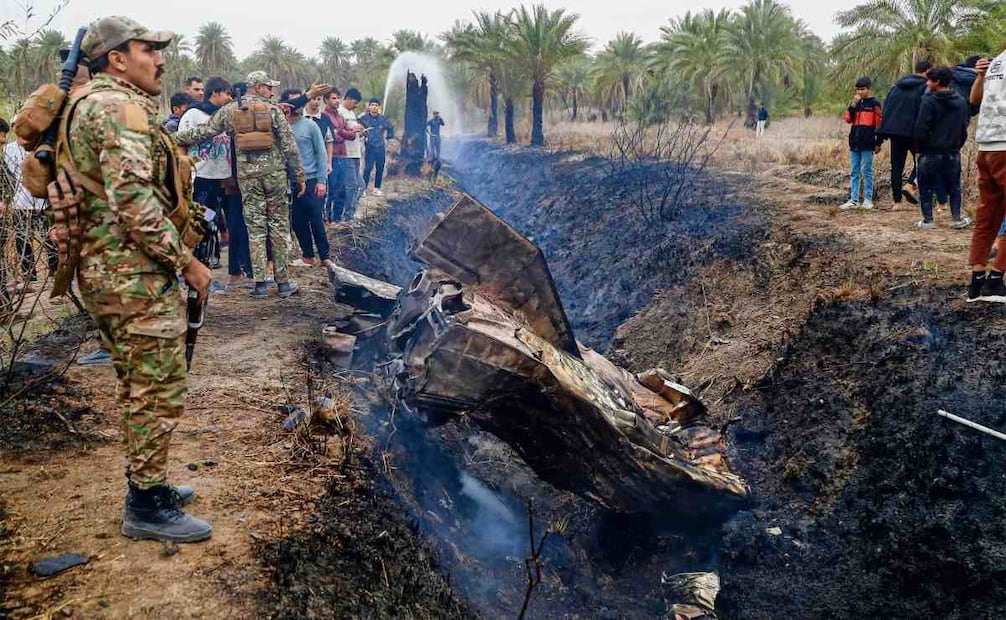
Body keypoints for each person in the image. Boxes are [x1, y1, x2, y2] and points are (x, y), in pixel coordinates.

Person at [58, 16, 212, 542]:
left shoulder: (94, 103)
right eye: (148, 49)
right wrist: (186, 262)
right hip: (132, 275)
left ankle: (147, 484)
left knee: (136, 384)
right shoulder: (116, 108)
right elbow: (134, 202)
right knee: (156, 386)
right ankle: (146, 504)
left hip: (113, 272)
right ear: (117, 58)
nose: (160, 59)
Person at [175, 70, 306, 300]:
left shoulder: (230, 110)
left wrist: (173, 138)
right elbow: (289, 146)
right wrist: (299, 175)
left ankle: (260, 284)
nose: (272, 91)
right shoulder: (274, 110)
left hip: (247, 178)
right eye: (268, 86)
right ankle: (283, 283)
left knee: (255, 228)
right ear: (256, 87)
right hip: (274, 176)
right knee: (278, 227)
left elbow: (205, 132)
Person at [178, 76, 234, 277]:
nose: (229, 98)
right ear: (216, 93)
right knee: (197, 222)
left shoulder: (225, 115)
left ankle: (208, 262)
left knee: (212, 220)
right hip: (200, 177)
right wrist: (184, 174)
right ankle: (189, 266)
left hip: (219, 178)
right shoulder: (193, 115)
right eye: (227, 94)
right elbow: (180, 143)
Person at [966, 52, 1006, 302]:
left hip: (987, 147)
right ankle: (995, 281)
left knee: (987, 215)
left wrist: (981, 75)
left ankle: (977, 283)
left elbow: (974, 99)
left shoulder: (997, 61)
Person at [913, 66, 972, 230]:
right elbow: (963, 127)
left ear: (937, 82)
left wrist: (919, 147)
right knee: (954, 186)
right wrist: (957, 145)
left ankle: (928, 220)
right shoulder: (960, 101)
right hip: (953, 152)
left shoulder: (929, 100)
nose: (927, 83)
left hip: (930, 152)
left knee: (926, 186)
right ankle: (957, 218)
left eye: (929, 80)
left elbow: (921, 127)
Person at [279, 100, 330, 268]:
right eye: (295, 102)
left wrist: (321, 181)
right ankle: (307, 256)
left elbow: (321, 154)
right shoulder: (280, 127)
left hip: (311, 179)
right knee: (297, 221)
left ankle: (325, 257)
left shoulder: (310, 126)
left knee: (315, 218)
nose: (299, 107)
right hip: (290, 181)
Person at [878, 60, 931, 206]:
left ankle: (897, 202)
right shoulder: (925, 87)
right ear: (927, 71)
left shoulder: (896, 87)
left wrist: (879, 139)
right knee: (923, 161)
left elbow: (886, 111)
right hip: (915, 133)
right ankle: (910, 185)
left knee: (896, 166)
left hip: (895, 133)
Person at [839, 77, 883, 211]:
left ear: (869, 89)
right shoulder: (855, 103)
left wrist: (878, 142)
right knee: (854, 171)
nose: (860, 92)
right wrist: (853, 105)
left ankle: (868, 199)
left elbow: (879, 124)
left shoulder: (875, 104)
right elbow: (848, 119)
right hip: (854, 142)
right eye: (858, 89)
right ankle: (854, 199)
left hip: (868, 142)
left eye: (863, 89)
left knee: (867, 170)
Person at [335, 88, 366, 220]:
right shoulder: (340, 112)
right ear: (347, 98)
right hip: (346, 154)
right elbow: (340, 132)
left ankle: (351, 212)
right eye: (354, 101)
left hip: (356, 154)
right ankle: (347, 216)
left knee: (361, 185)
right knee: (352, 186)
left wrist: (361, 131)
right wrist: (352, 131)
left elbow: (353, 131)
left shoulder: (352, 113)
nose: (356, 104)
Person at [360, 98, 394, 196]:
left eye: (376, 105)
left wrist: (388, 138)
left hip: (380, 147)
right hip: (369, 146)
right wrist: (363, 136)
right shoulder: (364, 118)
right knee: (367, 168)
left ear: (379, 107)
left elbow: (390, 127)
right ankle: (363, 189)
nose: (374, 107)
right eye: (372, 105)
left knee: (380, 167)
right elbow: (359, 128)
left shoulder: (383, 119)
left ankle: (377, 188)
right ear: (369, 106)